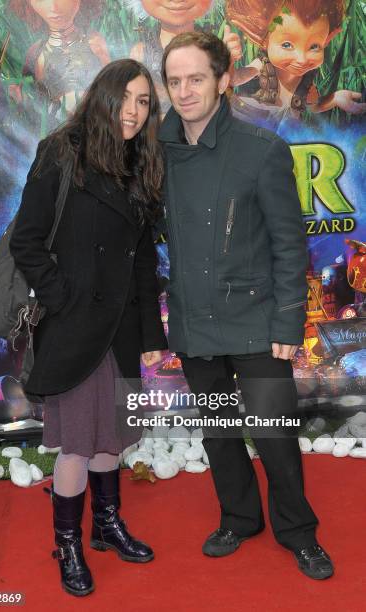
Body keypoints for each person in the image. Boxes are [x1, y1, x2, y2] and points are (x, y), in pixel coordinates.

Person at [159, 31, 334, 579]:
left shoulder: (262, 149)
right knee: (219, 434)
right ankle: (238, 517)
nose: (185, 91)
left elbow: (289, 243)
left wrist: (288, 320)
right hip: (194, 322)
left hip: (258, 323)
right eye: (175, 80)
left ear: (223, 79)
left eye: (196, 78)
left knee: (276, 436)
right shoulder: (154, 155)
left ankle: (298, 532)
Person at [9, 59, 167, 597]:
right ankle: (69, 544)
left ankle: (107, 524)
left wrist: (151, 338)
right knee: (77, 445)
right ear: (102, 95)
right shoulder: (62, 151)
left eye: (144, 101)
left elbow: (144, 261)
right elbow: (26, 240)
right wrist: (63, 301)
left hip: (121, 332)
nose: (133, 110)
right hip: (76, 330)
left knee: (113, 439)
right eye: (125, 97)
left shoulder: (140, 164)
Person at [226, 0, 365, 128]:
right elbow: (234, 80)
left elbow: (313, 106)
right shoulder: (263, 65)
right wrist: (229, 61)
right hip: (257, 120)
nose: (302, 59)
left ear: (327, 40)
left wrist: (335, 98)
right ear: (264, 40)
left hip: (288, 131)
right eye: (287, 45)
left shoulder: (307, 80)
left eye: (314, 47)